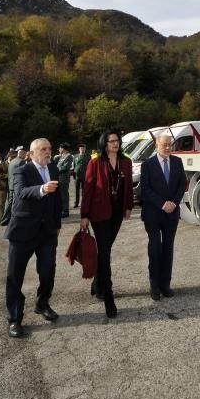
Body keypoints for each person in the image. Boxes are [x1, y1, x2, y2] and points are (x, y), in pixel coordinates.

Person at [4, 138, 61, 338]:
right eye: (43, 149)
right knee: (15, 276)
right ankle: (14, 319)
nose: (48, 152)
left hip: (47, 233)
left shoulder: (53, 168)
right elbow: (20, 192)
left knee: (48, 271)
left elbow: (57, 200)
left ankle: (42, 303)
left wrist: (57, 224)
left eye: (50, 149)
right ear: (32, 152)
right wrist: (42, 189)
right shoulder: (22, 169)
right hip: (23, 231)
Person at [80, 130, 133, 318]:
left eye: (117, 141)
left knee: (106, 248)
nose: (115, 144)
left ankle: (97, 283)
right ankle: (108, 295)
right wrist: (84, 214)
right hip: (99, 213)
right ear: (104, 144)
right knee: (104, 251)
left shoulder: (126, 161)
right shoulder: (95, 163)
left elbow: (128, 187)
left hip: (117, 213)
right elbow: (87, 189)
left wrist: (129, 206)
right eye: (111, 141)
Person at [140, 134, 186, 300]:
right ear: (156, 144)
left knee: (168, 249)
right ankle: (154, 286)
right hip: (153, 213)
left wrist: (173, 203)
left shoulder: (177, 162)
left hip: (171, 214)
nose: (168, 148)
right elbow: (145, 189)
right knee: (155, 248)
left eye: (170, 145)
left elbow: (182, 185)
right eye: (164, 145)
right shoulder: (147, 165)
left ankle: (165, 284)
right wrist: (162, 204)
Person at [54, 143, 73, 218]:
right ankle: (61, 209)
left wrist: (55, 170)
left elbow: (65, 167)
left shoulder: (68, 156)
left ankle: (65, 211)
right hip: (59, 178)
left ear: (63, 148)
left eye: (60, 148)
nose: (59, 150)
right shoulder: (61, 156)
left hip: (64, 179)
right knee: (60, 195)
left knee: (64, 195)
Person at [73, 143, 91, 208]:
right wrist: (74, 173)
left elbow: (90, 166)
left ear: (85, 149)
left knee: (84, 190)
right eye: (81, 148)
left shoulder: (88, 156)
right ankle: (76, 202)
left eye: (83, 148)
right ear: (79, 149)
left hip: (85, 175)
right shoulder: (75, 156)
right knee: (76, 189)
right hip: (77, 174)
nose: (82, 149)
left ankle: (84, 202)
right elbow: (74, 165)